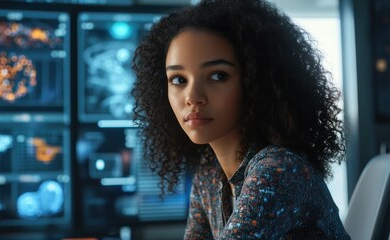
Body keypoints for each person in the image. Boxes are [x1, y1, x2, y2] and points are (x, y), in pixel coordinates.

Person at [131, 0, 351, 239]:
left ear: (255, 81)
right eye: (178, 79)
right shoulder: (208, 174)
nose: (193, 98)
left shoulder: (279, 169)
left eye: (217, 75)